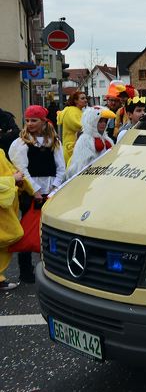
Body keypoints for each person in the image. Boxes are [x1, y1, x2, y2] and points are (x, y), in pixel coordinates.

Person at [9, 105, 65, 284]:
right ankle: (25, 271)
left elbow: (61, 167)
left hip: (50, 192)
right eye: (27, 120)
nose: (30, 124)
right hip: (31, 193)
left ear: (43, 121)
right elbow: (21, 168)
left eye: (34, 120)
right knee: (27, 230)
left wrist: (54, 188)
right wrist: (36, 190)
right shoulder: (22, 143)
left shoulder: (53, 141)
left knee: (48, 231)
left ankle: (49, 267)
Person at [0, 149, 33, 292]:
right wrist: (13, 179)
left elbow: (12, 170)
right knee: (12, 234)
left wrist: (24, 183)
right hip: (3, 207)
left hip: (5, 208)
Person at [65, 106, 116, 179]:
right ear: (92, 122)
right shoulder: (85, 139)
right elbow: (82, 164)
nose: (103, 124)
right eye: (100, 121)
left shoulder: (108, 140)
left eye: (105, 121)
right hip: (90, 178)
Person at [57, 91, 87, 167]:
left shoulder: (77, 110)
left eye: (85, 98)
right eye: (82, 98)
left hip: (74, 146)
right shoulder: (72, 111)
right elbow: (78, 125)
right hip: (72, 147)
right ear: (75, 100)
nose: (85, 100)